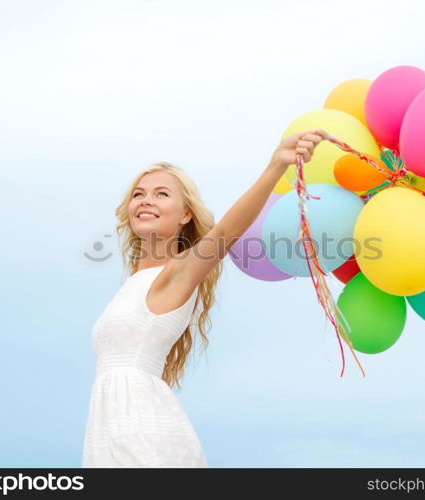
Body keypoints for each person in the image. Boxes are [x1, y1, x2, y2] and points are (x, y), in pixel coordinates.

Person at [81, 128, 328, 467]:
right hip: (112, 432)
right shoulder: (132, 286)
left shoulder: (176, 273)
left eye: (162, 194)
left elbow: (225, 233)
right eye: (139, 194)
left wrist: (276, 165)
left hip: (142, 437)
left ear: (185, 215)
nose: (147, 200)